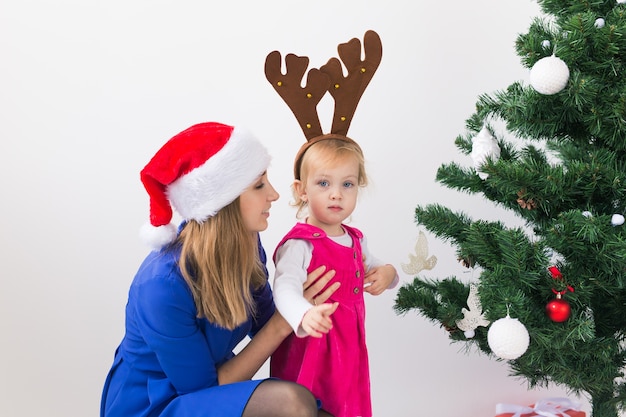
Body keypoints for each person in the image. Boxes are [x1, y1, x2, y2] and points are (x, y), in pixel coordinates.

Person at [100, 121, 339, 417]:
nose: (274, 195)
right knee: (291, 403)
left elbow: (264, 321)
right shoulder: (162, 286)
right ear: (224, 203)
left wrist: (307, 305)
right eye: (259, 185)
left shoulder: (246, 242)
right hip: (156, 405)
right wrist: (282, 323)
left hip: (211, 390)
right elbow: (204, 388)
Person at [270, 136, 399, 417]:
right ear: (301, 190)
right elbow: (284, 288)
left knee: (348, 404)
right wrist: (303, 314)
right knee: (312, 404)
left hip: (348, 348)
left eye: (347, 184)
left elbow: (373, 265)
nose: (336, 194)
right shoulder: (300, 243)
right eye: (324, 183)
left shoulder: (355, 240)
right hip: (311, 348)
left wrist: (389, 274)